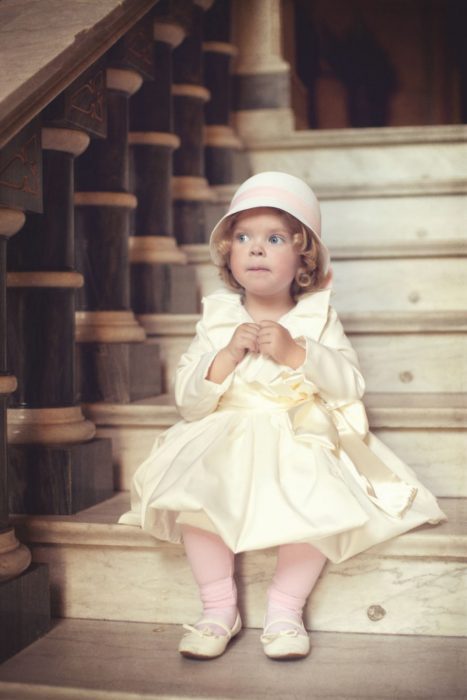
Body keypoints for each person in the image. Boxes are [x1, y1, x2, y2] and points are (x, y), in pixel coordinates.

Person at [119, 171, 446, 660]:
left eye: (273, 239)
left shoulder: (316, 319)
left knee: (317, 499)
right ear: (229, 254)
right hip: (226, 431)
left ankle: (286, 609)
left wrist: (299, 353)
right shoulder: (217, 320)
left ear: (302, 260)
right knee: (196, 498)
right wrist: (225, 357)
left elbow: (349, 385)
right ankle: (217, 607)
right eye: (244, 238)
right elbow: (189, 403)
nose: (255, 249)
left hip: (297, 429)